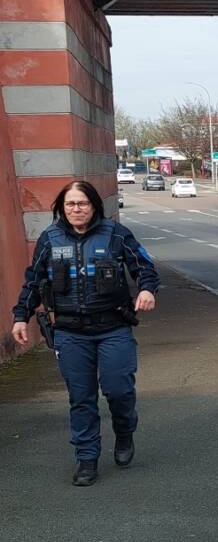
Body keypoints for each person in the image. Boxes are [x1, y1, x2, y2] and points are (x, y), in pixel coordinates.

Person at [11, 180, 159, 487]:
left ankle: (124, 432)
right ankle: (87, 459)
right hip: (70, 332)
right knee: (81, 398)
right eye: (70, 204)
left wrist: (147, 289)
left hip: (113, 328)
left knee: (119, 390)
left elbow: (145, 267)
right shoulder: (50, 239)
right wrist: (21, 317)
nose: (76, 209)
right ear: (62, 208)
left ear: (94, 206)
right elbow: (34, 281)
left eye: (82, 203)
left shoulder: (116, 234)